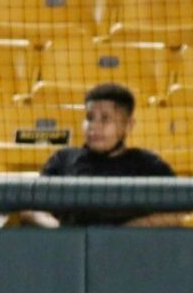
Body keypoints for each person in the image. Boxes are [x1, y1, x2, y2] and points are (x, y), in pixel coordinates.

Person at [19, 82, 180, 229]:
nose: (94, 126)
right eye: (89, 118)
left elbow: (176, 214)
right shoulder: (63, 159)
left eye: (105, 119)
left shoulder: (147, 164)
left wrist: (124, 234)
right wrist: (63, 234)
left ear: (129, 125)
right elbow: (30, 209)